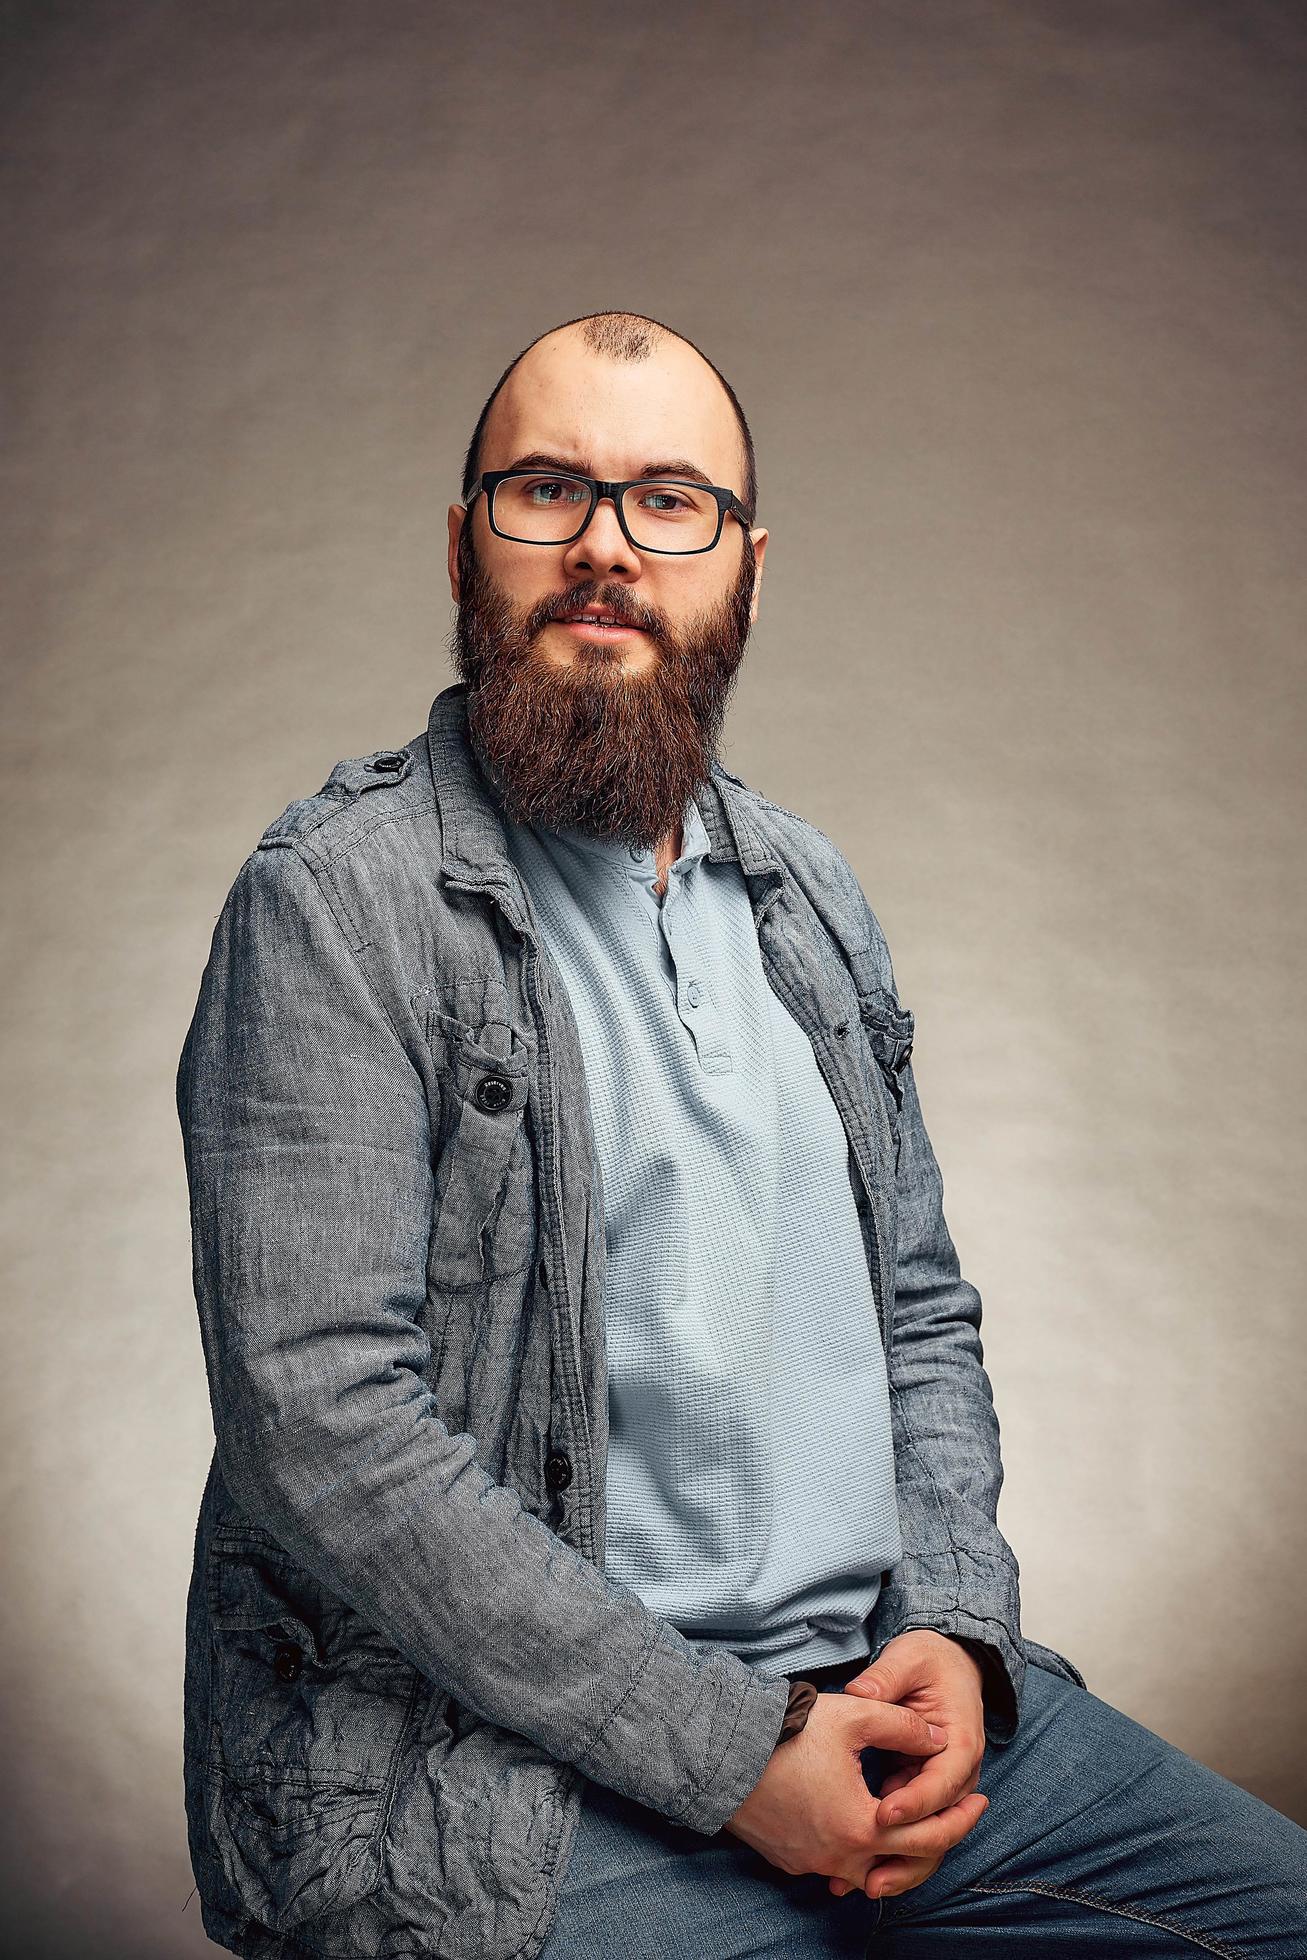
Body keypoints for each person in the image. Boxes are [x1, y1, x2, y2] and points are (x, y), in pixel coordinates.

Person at [177, 310, 1306, 1960]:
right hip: (513, 1793)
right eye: (547, 490)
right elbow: (324, 1430)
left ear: (748, 571)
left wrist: (959, 1637)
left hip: (873, 1714)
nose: (606, 550)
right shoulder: (336, 905)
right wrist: (737, 1758)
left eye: (671, 502)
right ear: (461, 544)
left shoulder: (811, 900)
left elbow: (919, 1310)